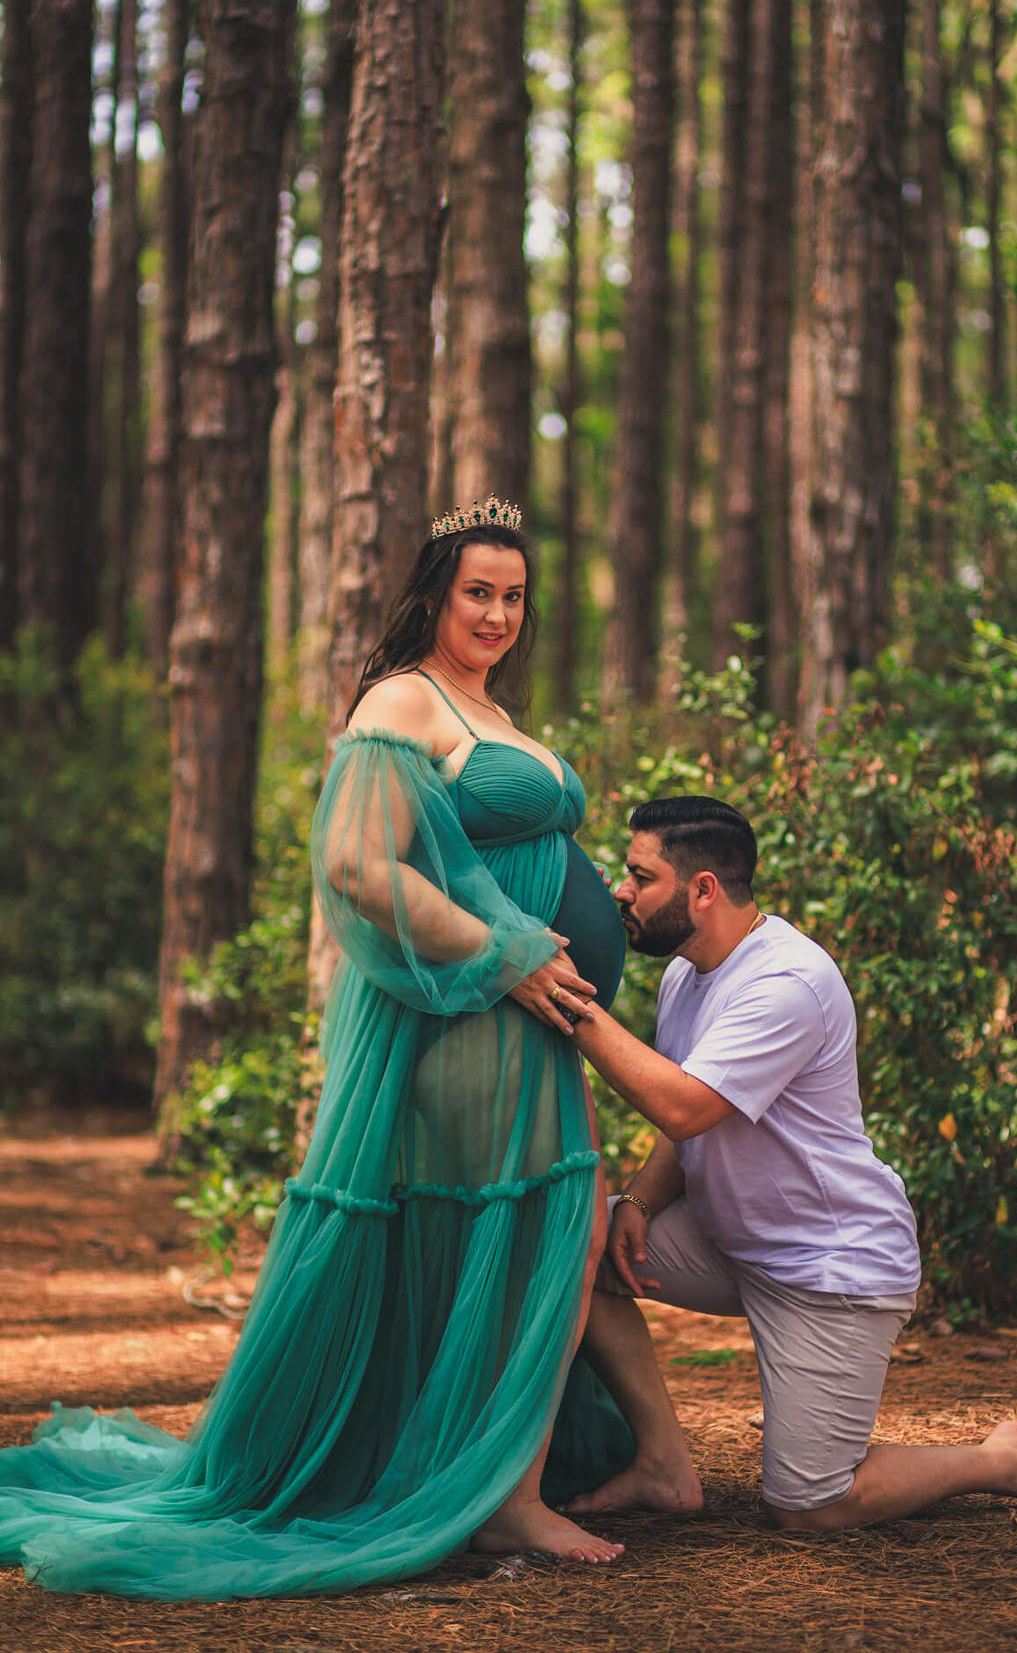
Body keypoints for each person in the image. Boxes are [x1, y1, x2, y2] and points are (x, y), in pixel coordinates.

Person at [0, 496, 633, 1598]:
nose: (495, 613)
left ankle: (493, 1476)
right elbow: (357, 865)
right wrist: (511, 955)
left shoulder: (487, 706)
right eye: (476, 591)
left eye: (513, 596)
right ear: (435, 593)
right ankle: (499, 1499)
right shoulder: (403, 698)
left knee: (544, 1237)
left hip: (530, 1023)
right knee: (509, 1237)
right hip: (470, 1015)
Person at [562, 796, 1017, 1530]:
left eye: (638, 876)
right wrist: (637, 1205)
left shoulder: (786, 981)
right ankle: (662, 1464)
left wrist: (563, 998)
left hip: (828, 1265)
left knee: (812, 1508)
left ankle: (1001, 1459)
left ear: (703, 891)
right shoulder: (686, 974)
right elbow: (697, 1116)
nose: (620, 891)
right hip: (730, 1242)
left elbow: (684, 1105)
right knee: (573, 1246)